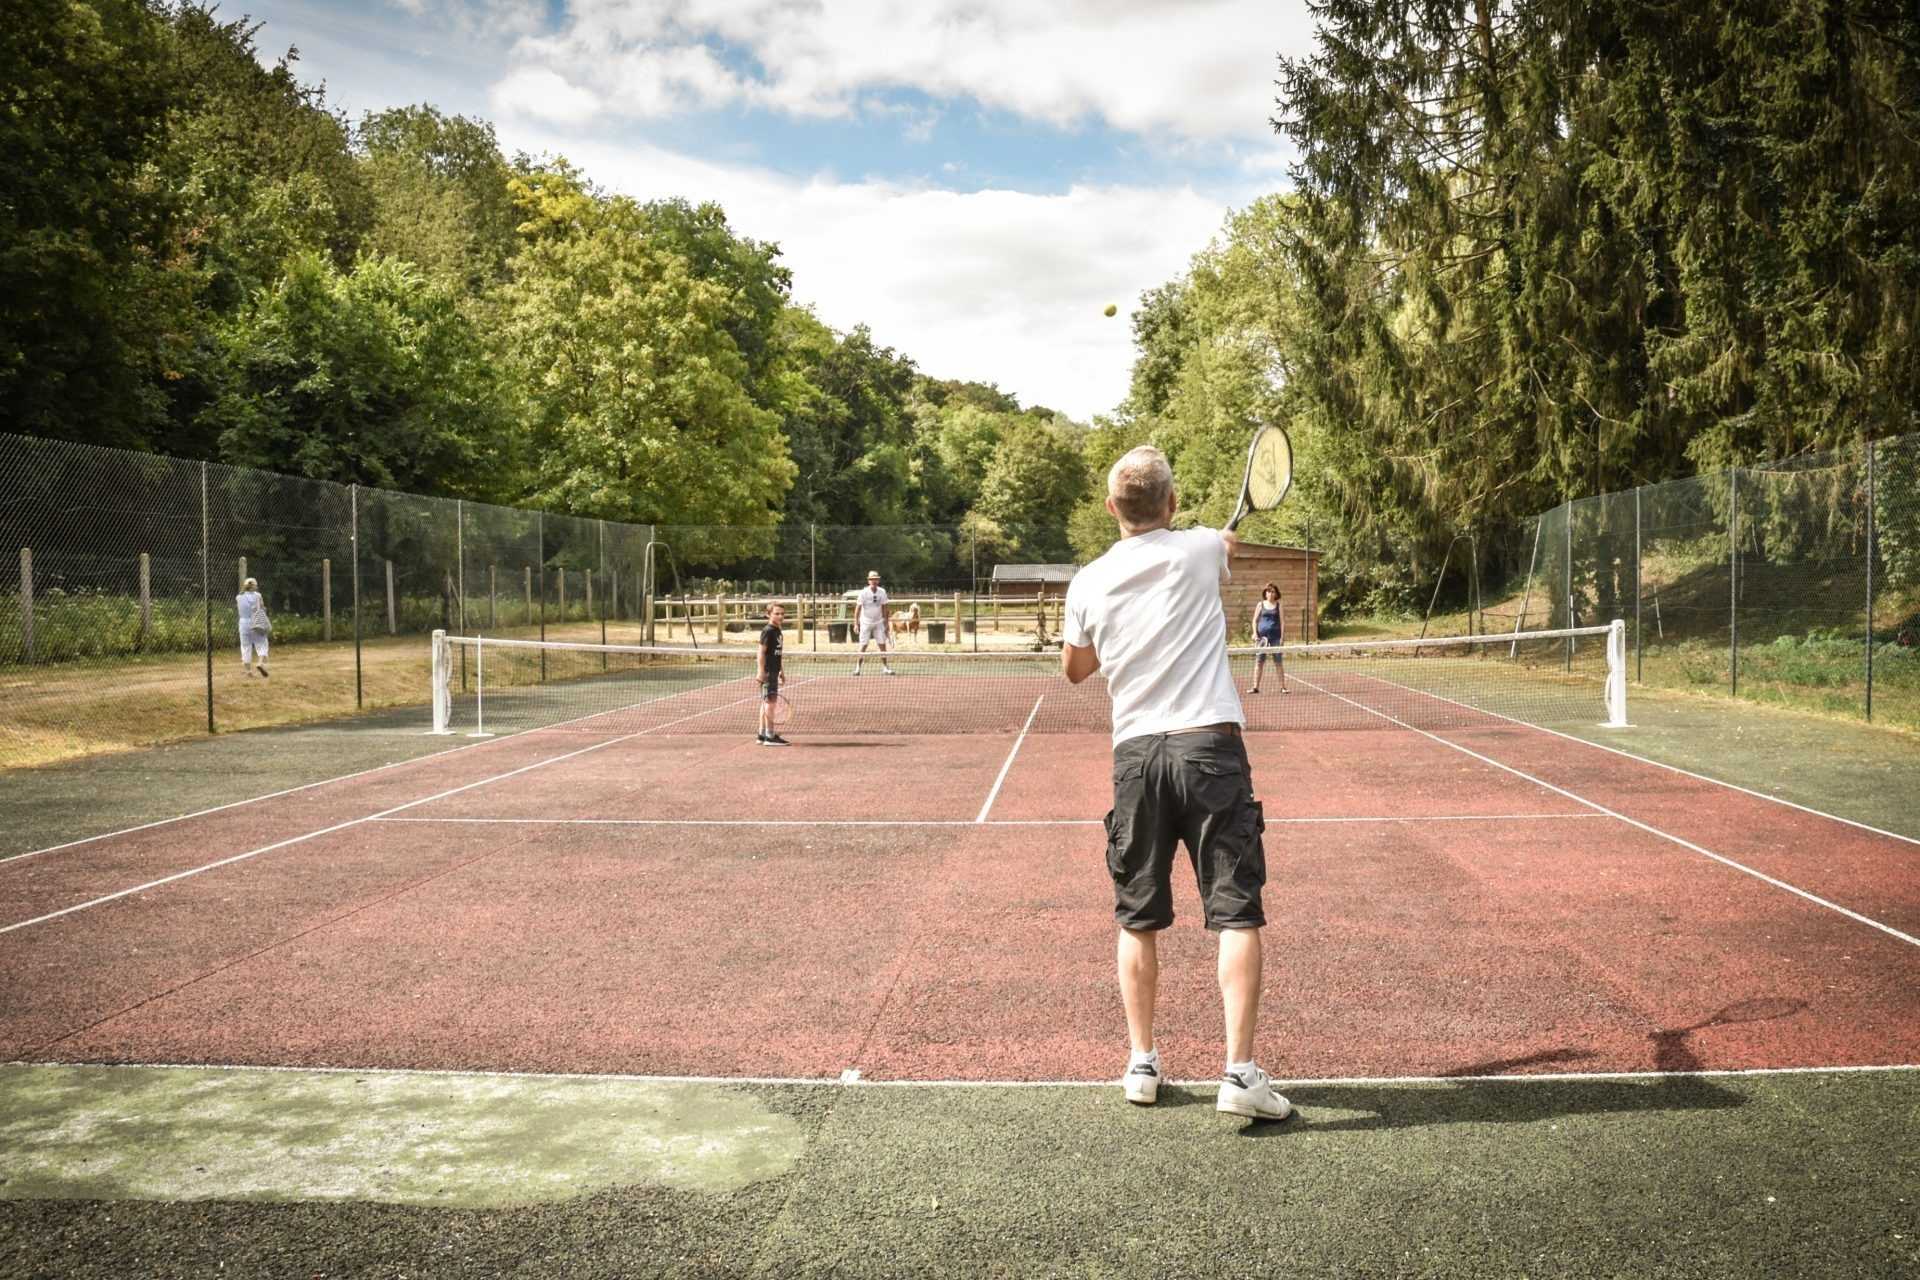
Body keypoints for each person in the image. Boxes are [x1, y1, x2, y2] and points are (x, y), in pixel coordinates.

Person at [1061, 445, 1288, 1122]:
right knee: (1237, 911)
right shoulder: (1199, 549)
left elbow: (1077, 669)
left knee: (1138, 916)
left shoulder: (1088, 582)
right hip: (1210, 749)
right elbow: (1225, 547)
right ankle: (1239, 1075)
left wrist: (1121, 630)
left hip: (1136, 757)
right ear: (1173, 502)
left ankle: (1142, 1063)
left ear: (1110, 509)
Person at [757, 602, 790, 746]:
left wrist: (781, 670)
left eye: (782, 613)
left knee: (766, 702)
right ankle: (770, 736)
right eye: (777, 613)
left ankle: (762, 734)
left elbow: (777, 653)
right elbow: (761, 652)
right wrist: (761, 671)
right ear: (768, 615)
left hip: (775, 671)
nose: (780, 616)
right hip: (768, 672)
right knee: (770, 703)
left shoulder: (778, 630)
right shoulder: (768, 631)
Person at [1248, 582, 1289, 694]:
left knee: (1278, 662)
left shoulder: (1279, 605)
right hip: (1262, 639)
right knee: (1259, 662)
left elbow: (1282, 621)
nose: (1270, 594)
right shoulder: (1260, 605)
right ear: (1265, 593)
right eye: (1268, 591)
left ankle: (1283, 687)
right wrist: (1255, 634)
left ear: (1276, 594)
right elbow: (1254, 621)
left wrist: (1282, 637)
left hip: (1275, 637)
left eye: (1272, 592)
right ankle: (1255, 687)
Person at [852, 570, 895, 675]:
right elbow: (858, 608)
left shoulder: (882, 592)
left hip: (879, 622)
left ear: (878, 580)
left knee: (882, 645)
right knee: (863, 645)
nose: (874, 581)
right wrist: (856, 623)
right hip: (865, 622)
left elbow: (885, 608)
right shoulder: (863, 592)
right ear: (868, 581)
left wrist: (886, 623)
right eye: (872, 579)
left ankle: (885, 668)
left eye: (876, 579)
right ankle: (858, 668)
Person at [236, 576, 271, 679]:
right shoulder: (258, 596)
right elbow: (262, 608)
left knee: (245, 647)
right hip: (256, 622)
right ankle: (260, 663)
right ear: (253, 586)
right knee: (262, 643)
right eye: (256, 584)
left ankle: (248, 671)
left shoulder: (238, 597)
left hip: (243, 623)